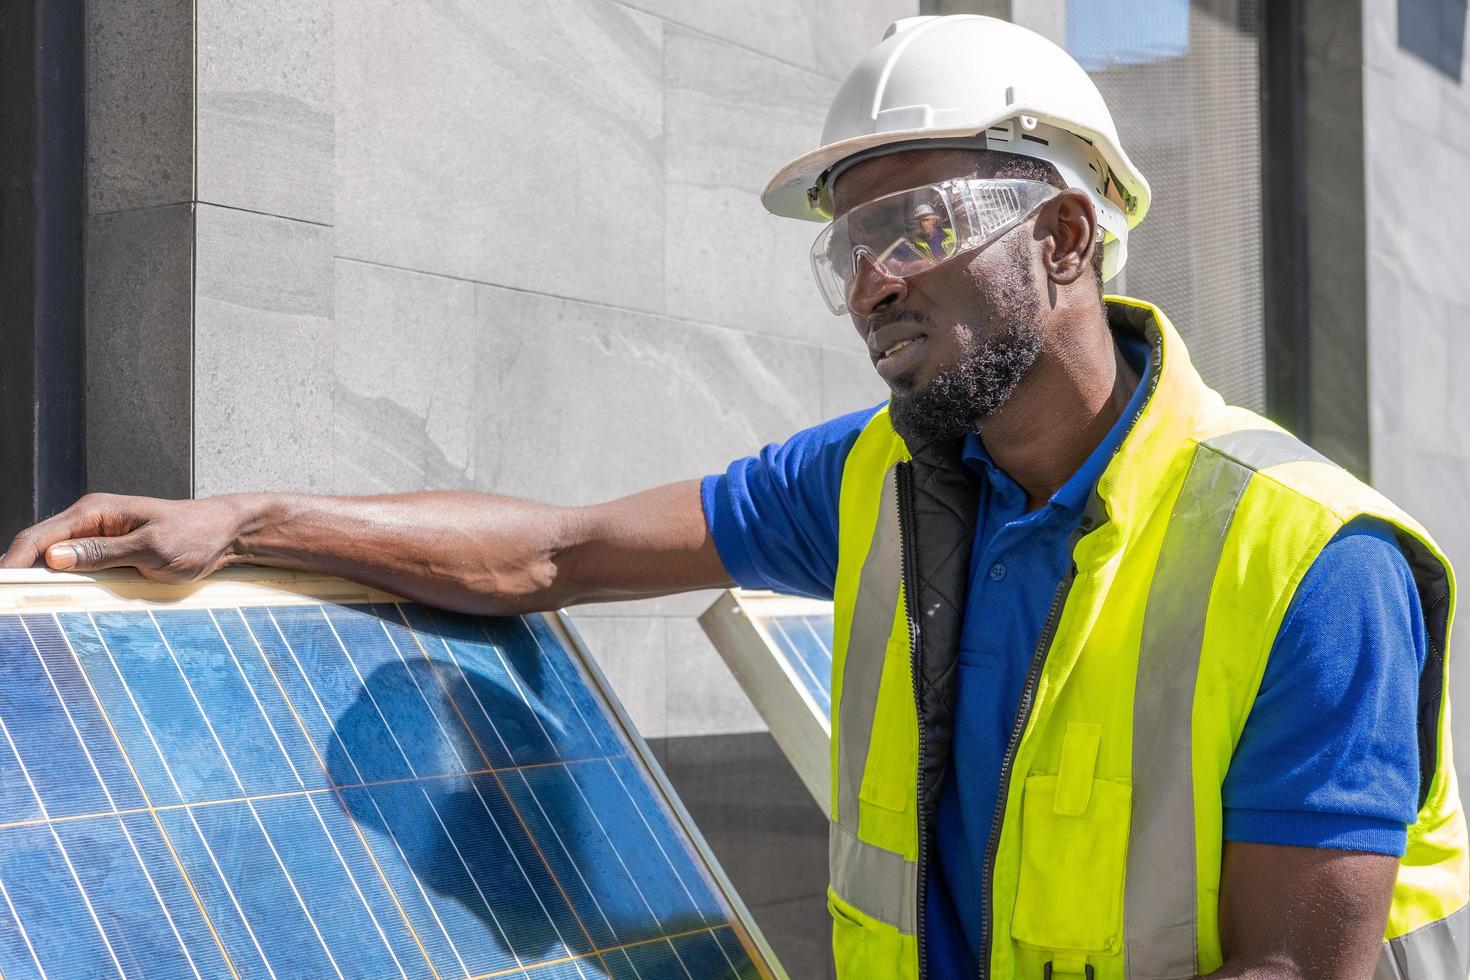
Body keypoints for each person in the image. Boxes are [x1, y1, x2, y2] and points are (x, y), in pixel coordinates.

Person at [3, 14, 1466, 979]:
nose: (874, 279)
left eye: (918, 223)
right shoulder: (876, 477)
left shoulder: (1309, 561)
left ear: (1068, 234)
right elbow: (553, 552)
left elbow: (1289, 969)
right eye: (847, 249)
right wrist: (247, 520)